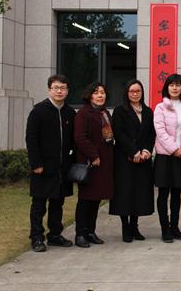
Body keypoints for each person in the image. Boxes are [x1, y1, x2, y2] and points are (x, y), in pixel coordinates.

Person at [25, 74, 76, 252]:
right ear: (49, 90)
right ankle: (36, 237)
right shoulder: (38, 111)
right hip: (42, 167)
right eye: (56, 88)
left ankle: (55, 235)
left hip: (62, 168)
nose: (59, 91)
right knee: (39, 204)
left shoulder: (70, 113)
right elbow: (31, 139)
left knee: (57, 203)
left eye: (63, 88)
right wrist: (35, 164)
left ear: (67, 91)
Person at [109, 79, 156, 243]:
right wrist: (133, 151)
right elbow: (119, 133)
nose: (135, 94)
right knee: (125, 193)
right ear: (127, 93)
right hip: (124, 158)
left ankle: (135, 226)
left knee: (139, 192)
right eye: (132, 91)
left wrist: (146, 150)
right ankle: (125, 227)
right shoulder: (120, 111)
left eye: (138, 91)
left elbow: (151, 134)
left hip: (143, 158)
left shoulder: (148, 111)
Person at [153, 73, 181, 243]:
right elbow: (160, 131)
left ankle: (175, 227)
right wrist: (174, 149)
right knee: (163, 194)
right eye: (171, 85)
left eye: (178, 85)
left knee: (177, 194)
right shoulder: (160, 108)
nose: (175, 88)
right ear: (167, 87)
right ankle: (165, 228)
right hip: (165, 156)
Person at [73, 82, 115, 248]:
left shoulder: (105, 113)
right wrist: (94, 155)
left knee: (96, 199)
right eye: (96, 93)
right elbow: (80, 138)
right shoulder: (83, 113)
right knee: (85, 200)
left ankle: (91, 231)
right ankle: (80, 234)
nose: (100, 95)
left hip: (104, 163)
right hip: (90, 163)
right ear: (89, 96)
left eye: (102, 92)